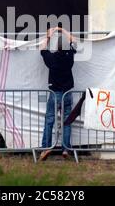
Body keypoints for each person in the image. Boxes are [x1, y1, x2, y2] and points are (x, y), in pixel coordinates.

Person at [39, 27, 77, 161]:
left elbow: (42, 48)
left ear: (57, 46)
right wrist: (63, 30)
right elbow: (74, 40)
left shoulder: (52, 58)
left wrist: (50, 35)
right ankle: (65, 149)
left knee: (49, 120)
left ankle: (46, 148)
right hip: (67, 93)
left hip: (55, 93)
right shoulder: (69, 56)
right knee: (67, 122)